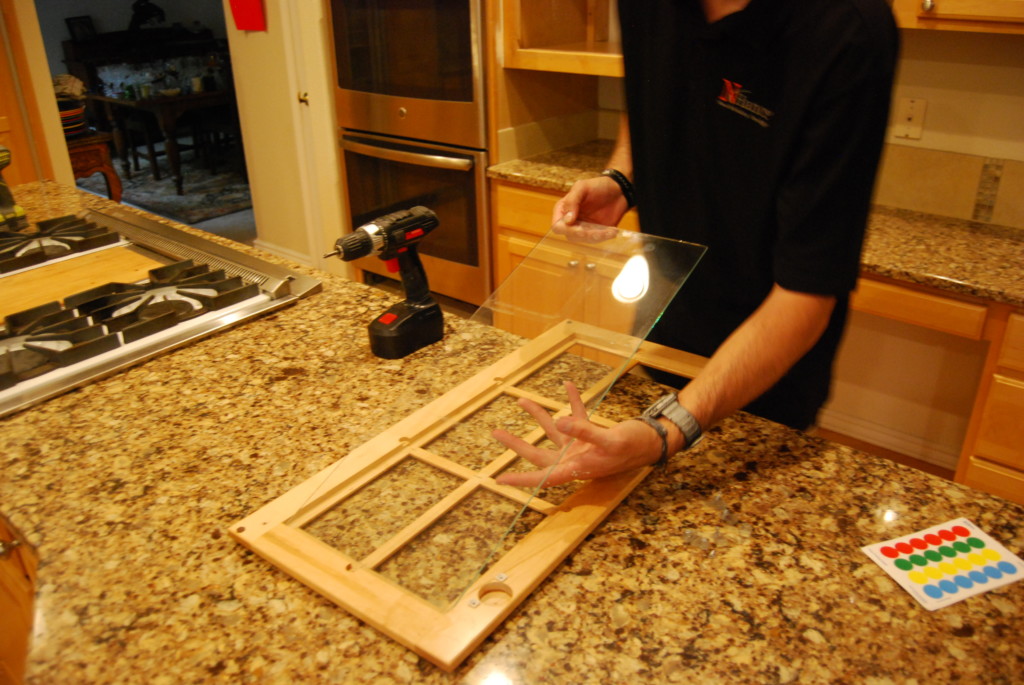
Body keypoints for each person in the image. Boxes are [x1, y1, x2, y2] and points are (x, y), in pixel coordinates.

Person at [494, 0, 899, 488]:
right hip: (665, 333)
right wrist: (623, 177)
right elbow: (649, 90)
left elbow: (805, 295)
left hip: (763, 382)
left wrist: (667, 431)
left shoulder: (846, 30)